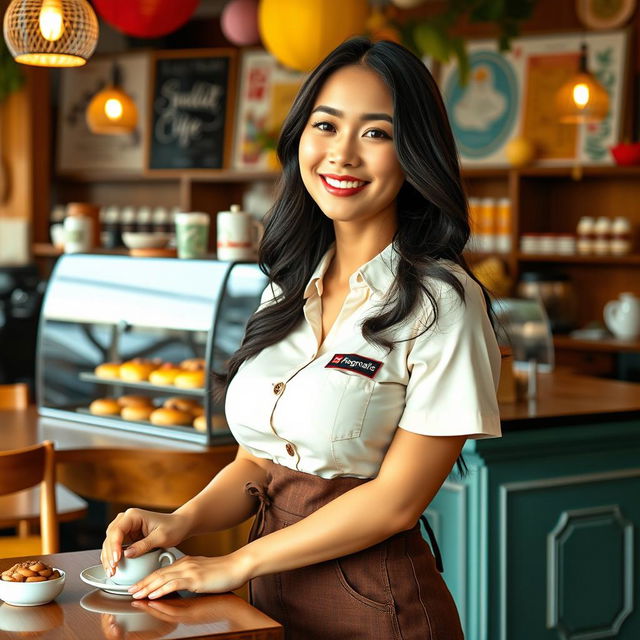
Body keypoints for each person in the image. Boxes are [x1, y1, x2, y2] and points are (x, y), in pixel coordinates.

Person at [101, 37, 502, 639]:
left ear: (414, 153)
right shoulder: (285, 291)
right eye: (326, 125)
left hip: (376, 606)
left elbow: (397, 500)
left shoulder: (442, 301)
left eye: (377, 133)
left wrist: (235, 562)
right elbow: (259, 462)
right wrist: (180, 522)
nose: (342, 155)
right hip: (268, 600)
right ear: (300, 139)